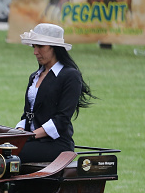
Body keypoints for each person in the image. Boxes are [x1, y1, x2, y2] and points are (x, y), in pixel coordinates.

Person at [17, 23, 95, 163]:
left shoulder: (70, 76)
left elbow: (62, 120)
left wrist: (31, 136)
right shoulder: (34, 77)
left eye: (40, 46)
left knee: (13, 154)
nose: (35, 52)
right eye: (34, 46)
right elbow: (27, 114)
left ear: (55, 48)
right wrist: (18, 131)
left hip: (56, 144)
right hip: (32, 141)